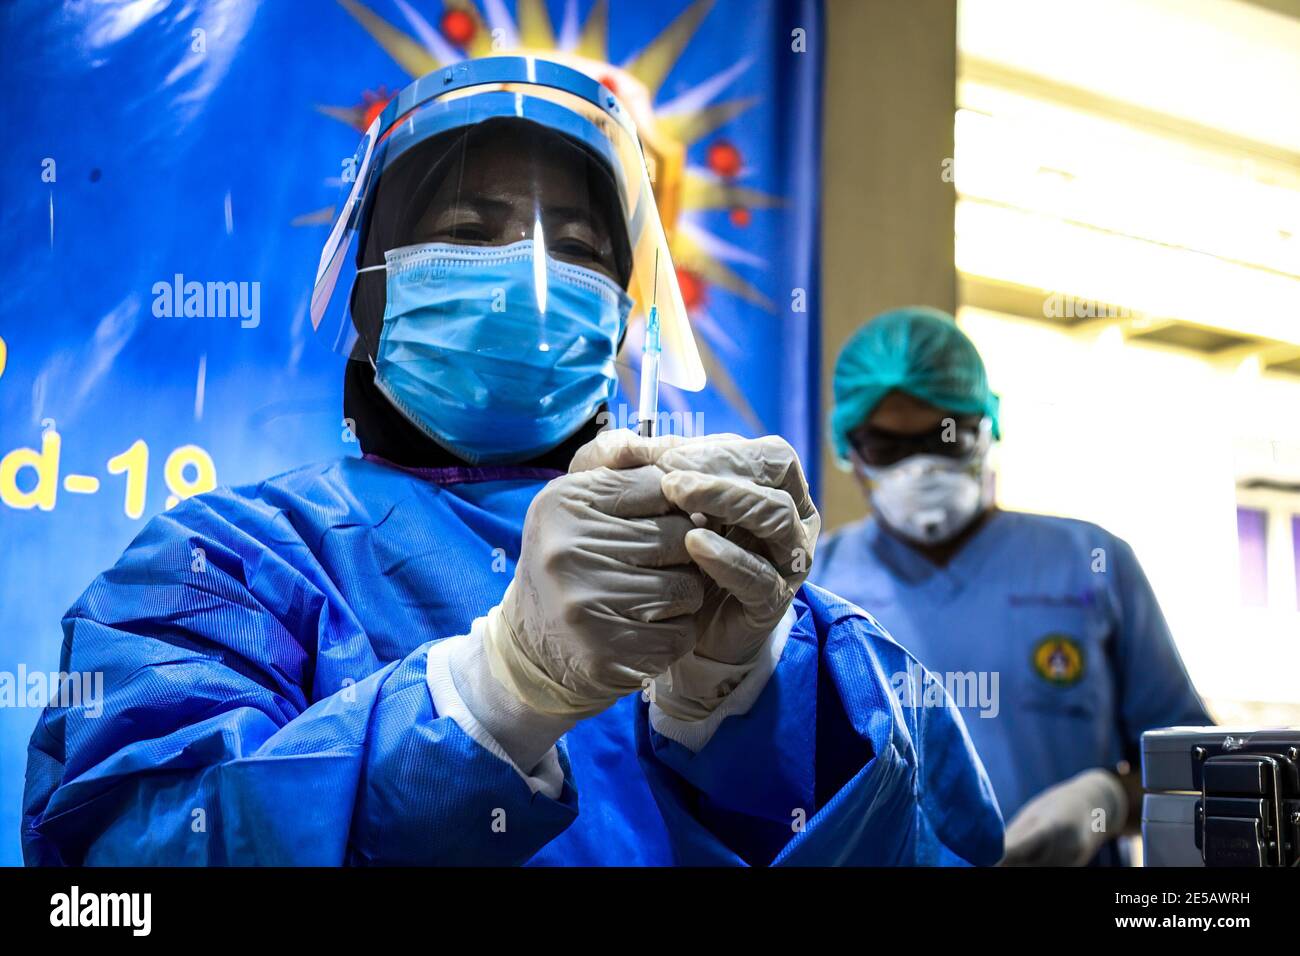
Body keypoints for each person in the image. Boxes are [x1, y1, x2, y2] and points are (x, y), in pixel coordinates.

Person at [22, 58, 1002, 866]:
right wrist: (492, 691)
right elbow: (124, 858)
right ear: (371, 295)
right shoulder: (223, 566)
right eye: (465, 230)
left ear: (619, 314)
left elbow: (940, 842)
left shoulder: (719, 577)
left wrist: (741, 690)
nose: (527, 275)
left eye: (575, 244)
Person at [811, 305, 1212, 866]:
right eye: (888, 447)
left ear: (988, 428)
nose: (921, 468)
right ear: (847, 447)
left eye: (945, 438)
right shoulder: (814, 586)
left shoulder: (1093, 564)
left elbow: (1196, 769)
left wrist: (1106, 801)